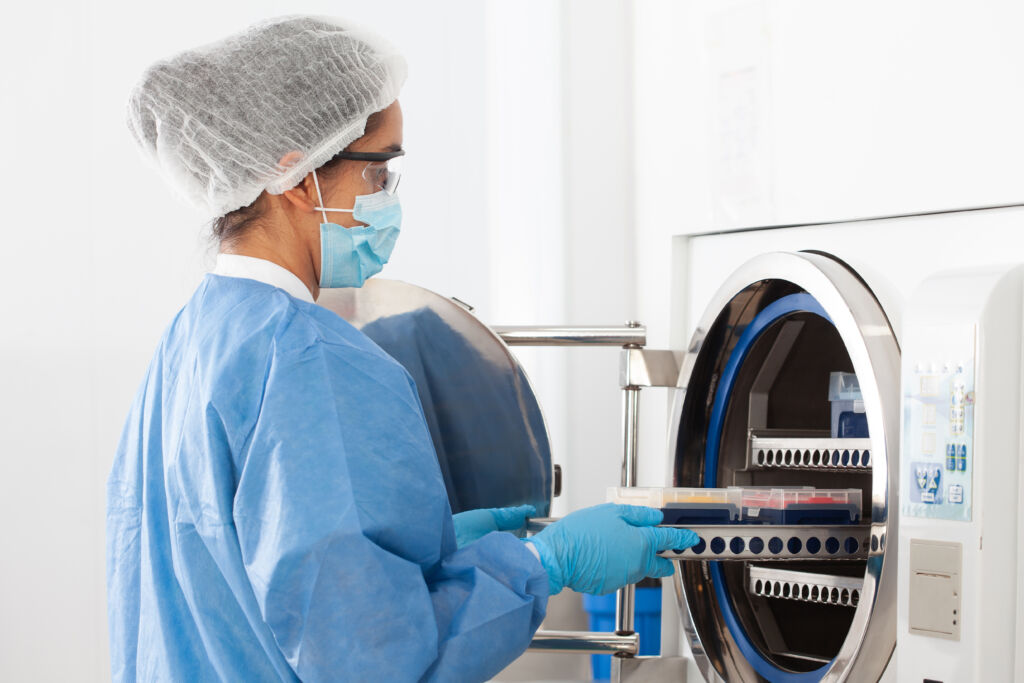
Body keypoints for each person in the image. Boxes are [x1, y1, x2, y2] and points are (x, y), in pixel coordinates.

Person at [107, 15, 699, 682]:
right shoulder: (311, 362)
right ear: (297, 175)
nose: (388, 195)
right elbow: (377, 663)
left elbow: (251, 585)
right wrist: (543, 564)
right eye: (380, 169)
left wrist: (434, 560)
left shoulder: (191, 341)